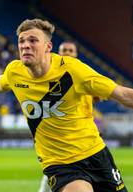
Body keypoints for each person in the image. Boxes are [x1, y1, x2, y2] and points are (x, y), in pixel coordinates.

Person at [0, 18, 133, 192]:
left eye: (32, 40)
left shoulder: (73, 70)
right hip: (59, 163)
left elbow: (121, 94)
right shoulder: (15, 71)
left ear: (48, 46)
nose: (25, 46)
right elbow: (0, 81)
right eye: (21, 41)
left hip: (95, 153)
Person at [39, 41, 78, 192]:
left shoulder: (84, 75)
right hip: (55, 144)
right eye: (64, 50)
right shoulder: (49, 75)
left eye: (71, 50)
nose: (67, 53)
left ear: (76, 54)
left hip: (79, 141)